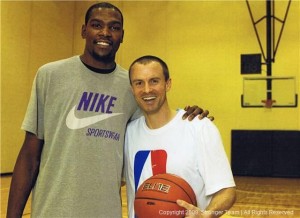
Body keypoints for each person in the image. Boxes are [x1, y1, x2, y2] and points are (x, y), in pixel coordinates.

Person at [7, 2, 211, 218]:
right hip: (52, 210)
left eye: (114, 27)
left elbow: (157, 125)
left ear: (122, 35)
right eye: (97, 25)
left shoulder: (132, 87)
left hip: (105, 212)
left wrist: (187, 116)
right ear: (84, 30)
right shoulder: (50, 76)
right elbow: (29, 156)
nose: (105, 32)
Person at [124, 55, 236, 218]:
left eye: (154, 81)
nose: (147, 90)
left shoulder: (199, 127)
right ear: (132, 88)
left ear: (168, 84)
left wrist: (207, 215)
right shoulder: (128, 133)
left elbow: (227, 191)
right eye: (139, 83)